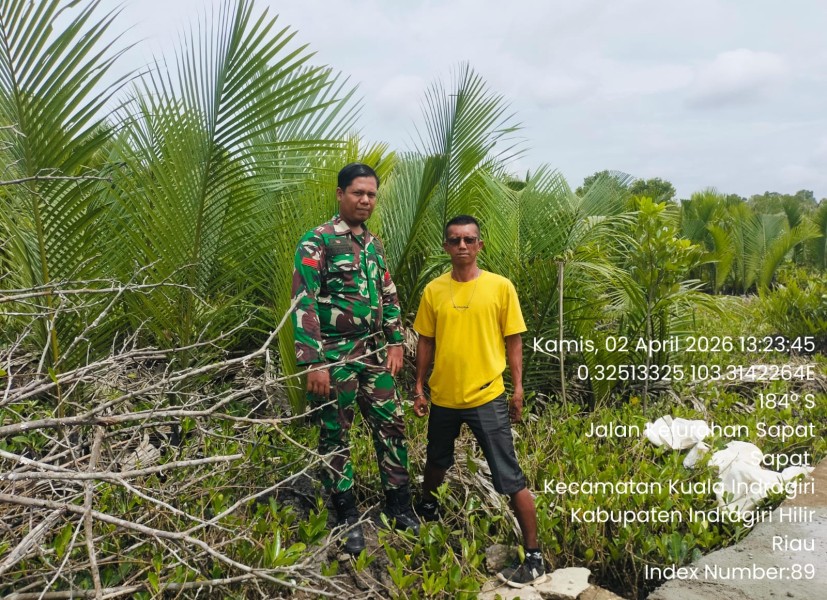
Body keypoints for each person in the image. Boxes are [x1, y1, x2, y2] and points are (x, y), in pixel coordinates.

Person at [291, 163, 419, 554]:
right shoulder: (317, 241)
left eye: (371, 194)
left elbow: (389, 293)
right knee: (335, 433)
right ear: (340, 194)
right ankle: (347, 515)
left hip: (374, 353)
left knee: (391, 424)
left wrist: (395, 342)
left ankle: (398, 506)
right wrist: (313, 361)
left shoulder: (373, 244)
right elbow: (304, 301)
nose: (365, 200)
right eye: (357, 193)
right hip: (334, 355)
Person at [412, 214, 545, 588]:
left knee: (509, 475)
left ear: (480, 245)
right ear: (446, 247)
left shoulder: (500, 288)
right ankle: (428, 511)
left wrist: (517, 388)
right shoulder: (434, 291)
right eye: (455, 240)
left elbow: (514, 340)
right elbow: (426, 341)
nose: (462, 246)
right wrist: (419, 385)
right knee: (436, 460)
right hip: (444, 396)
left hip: (487, 395)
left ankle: (534, 556)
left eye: (469, 240)